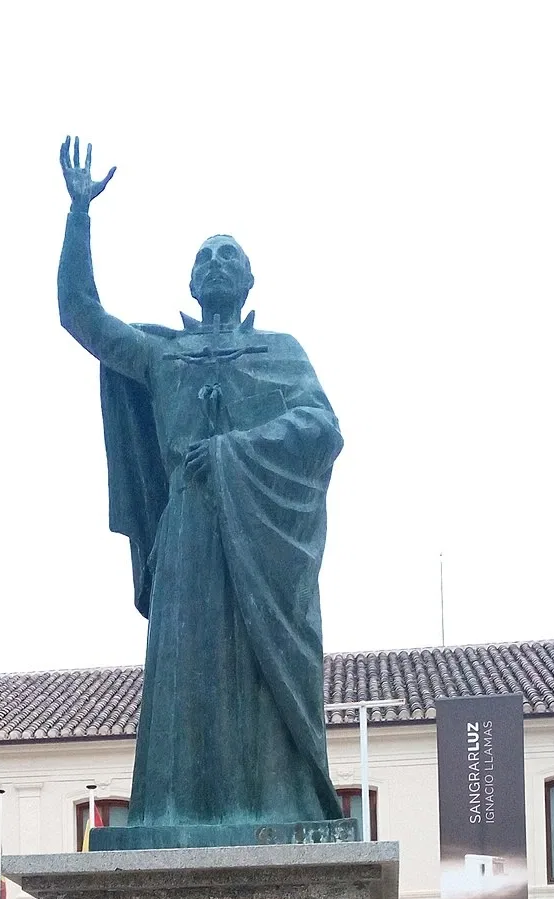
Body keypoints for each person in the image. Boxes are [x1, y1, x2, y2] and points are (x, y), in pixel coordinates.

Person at [57, 137, 344, 834]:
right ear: (190, 281)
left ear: (250, 280)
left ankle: (273, 804)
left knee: (257, 674)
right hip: (187, 533)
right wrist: (79, 217)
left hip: (261, 541)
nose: (216, 263)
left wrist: (233, 451)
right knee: (188, 675)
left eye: (229, 255)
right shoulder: (163, 354)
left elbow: (322, 428)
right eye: (205, 256)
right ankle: (181, 808)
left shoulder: (282, 351)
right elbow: (82, 316)